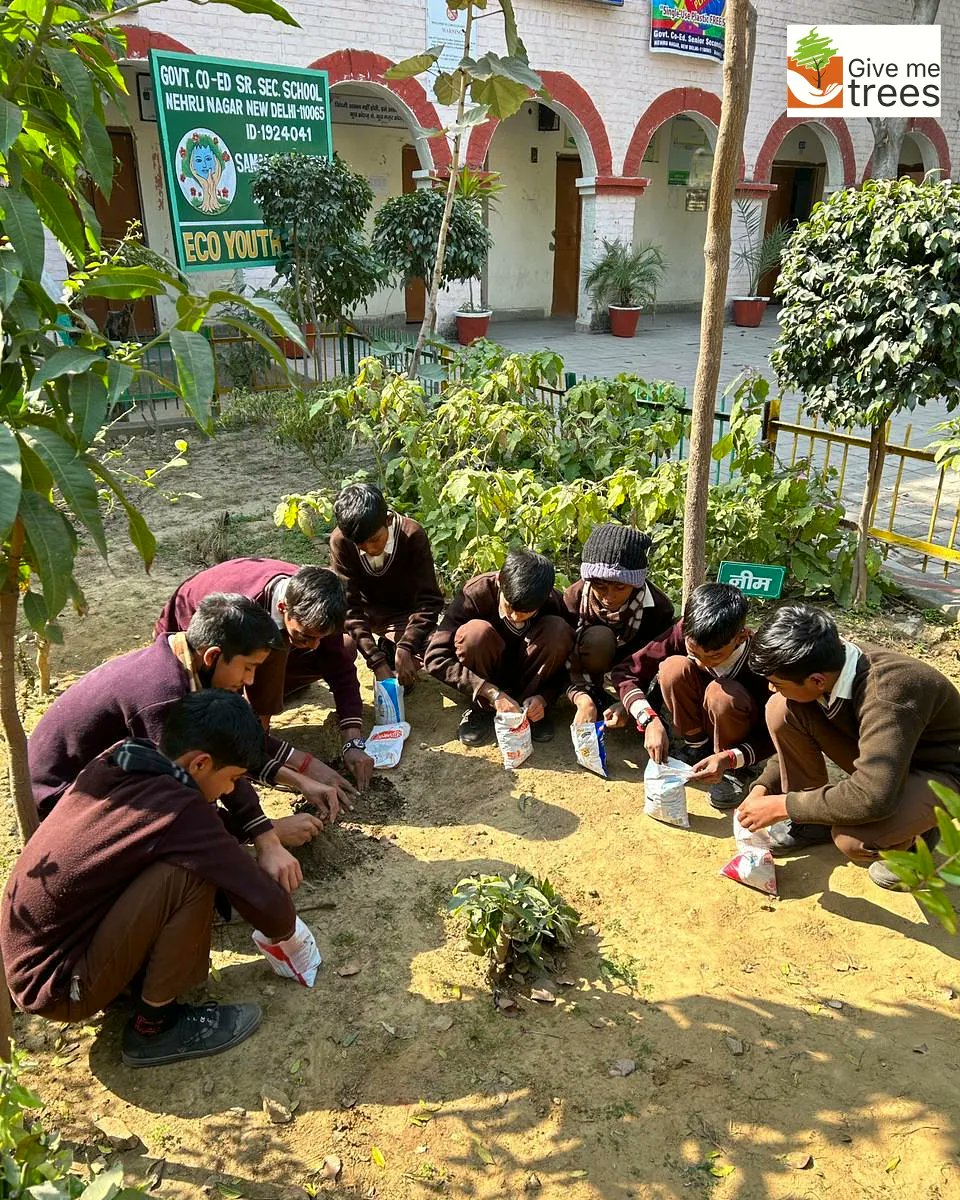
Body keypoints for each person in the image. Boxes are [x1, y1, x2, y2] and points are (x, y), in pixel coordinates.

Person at [3, 691, 318, 1067]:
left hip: (32, 956)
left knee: (184, 862)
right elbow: (271, 910)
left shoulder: (125, 755)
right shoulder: (181, 811)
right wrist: (289, 932)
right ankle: (155, 1026)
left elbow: (199, 830)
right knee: (189, 875)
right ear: (200, 763)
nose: (232, 790)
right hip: (59, 987)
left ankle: (131, 984)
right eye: (232, 778)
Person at [30, 594, 327, 889]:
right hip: (62, 803)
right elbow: (180, 799)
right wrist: (264, 836)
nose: (249, 680)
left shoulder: (184, 661)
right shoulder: (165, 697)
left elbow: (225, 758)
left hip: (102, 778)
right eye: (248, 667)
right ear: (212, 656)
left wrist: (264, 824)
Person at [737, 604, 960, 888]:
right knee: (781, 709)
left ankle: (920, 839)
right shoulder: (832, 668)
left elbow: (872, 798)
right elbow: (788, 746)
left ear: (817, 680)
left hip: (942, 770)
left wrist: (785, 805)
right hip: (892, 757)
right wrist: (762, 788)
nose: (770, 687)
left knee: (853, 839)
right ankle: (813, 823)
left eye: (775, 682)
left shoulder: (887, 694)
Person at [155, 559, 374, 789]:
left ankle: (262, 724)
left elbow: (339, 666)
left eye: (318, 637)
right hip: (190, 635)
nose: (313, 645)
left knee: (344, 648)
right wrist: (297, 765)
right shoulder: (241, 616)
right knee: (225, 719)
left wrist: (353, 740)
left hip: (247, 649)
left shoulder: (317, 602)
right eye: (304, 636)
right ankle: (257, 756)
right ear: (282, 608)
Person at [613, 583, 772, 809]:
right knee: (673, 668)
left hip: (741, 735)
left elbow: (775, 732)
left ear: (741, 637)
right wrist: (647, 718)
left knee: (722, 695)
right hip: (703, 724)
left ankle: (736, 771)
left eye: (715, 657)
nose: (701, 662)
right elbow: (627, 671)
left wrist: (733, 757)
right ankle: (697, 746)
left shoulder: (761, 661)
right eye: (694, 652)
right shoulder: (685, 632)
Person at [425, 549, 574, 746]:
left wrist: (545, 697)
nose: (515, 617)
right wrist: (490, 693)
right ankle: (482, 709)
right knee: (475, 634)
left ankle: (529, 710)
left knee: (558, 631)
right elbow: (435, 658)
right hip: (486, 675)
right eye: (510, 606)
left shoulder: (552, 601)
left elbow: (572, 663)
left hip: (530, 676)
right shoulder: (475, 594)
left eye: (526, 612)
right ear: (499, 582)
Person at [329, 483, 444, 689]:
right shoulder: (341, 541)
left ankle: (392, 648)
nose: (370, 549)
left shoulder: (411, 534)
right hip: (364, 615)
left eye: (374, 540)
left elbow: (430, 601)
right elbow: (350, 607)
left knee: (440, 647)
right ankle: (385, 652)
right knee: (332, 642)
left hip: (404, 615)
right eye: (360, 545)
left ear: (388, 521)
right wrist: (376, 662)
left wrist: (406, 646)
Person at [564, 523, 674, 729]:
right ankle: (593, 692)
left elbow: (656, 663)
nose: (609, 597)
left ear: (636, 583)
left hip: (634, 662)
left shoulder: (658, 609)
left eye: (620, 587)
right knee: (599, 638)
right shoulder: (575, 596)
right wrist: (580, 696)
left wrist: (632, 703)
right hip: (595, 654)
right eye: (600, 586)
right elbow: (564, 651)